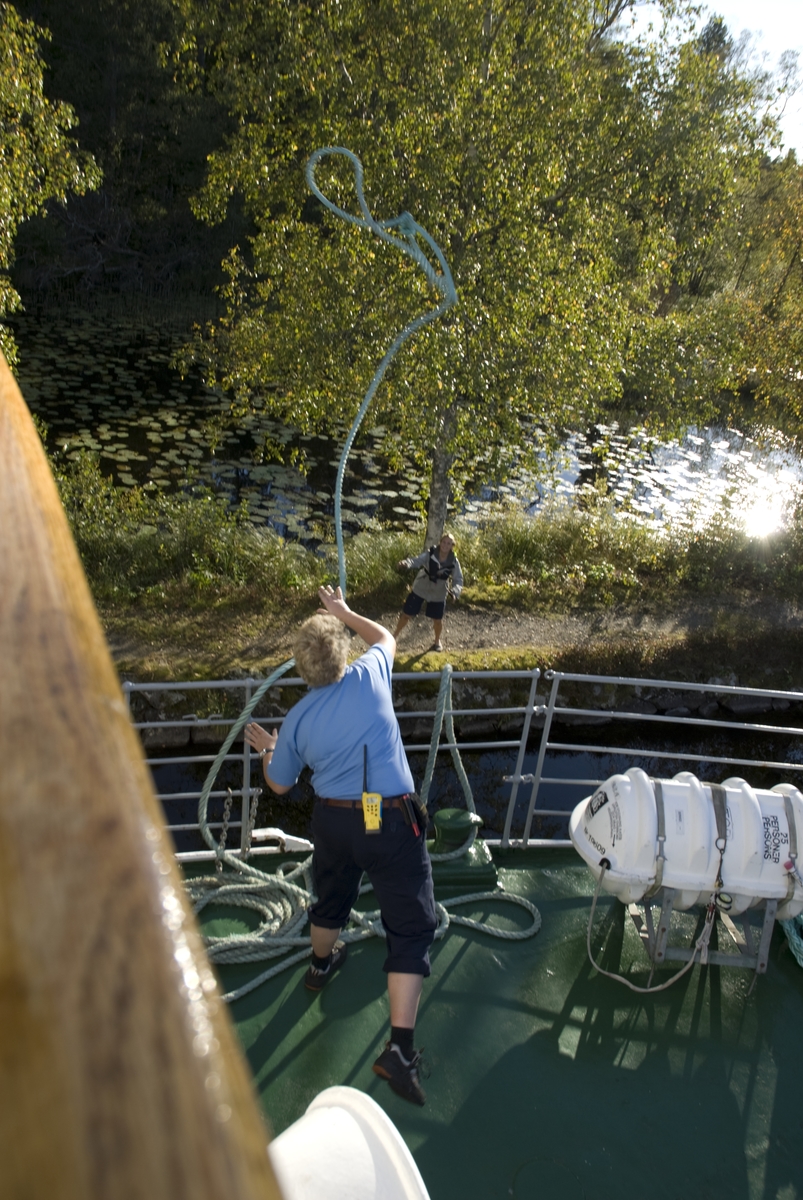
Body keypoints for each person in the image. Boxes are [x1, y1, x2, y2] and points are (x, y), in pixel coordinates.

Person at [244, 585, 436, 1107]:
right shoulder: (370, 675)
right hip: (387, 820)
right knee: (411, 927)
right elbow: (385, 637)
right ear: (343, 653)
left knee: (330, 897)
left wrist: (272, 750)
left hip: (334, 822)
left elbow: (279, 784)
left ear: (301, 667)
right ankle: (399, 1051)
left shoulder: (299, 719)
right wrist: (344, 611)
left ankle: (320, 964)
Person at [394, 531, 463, 652]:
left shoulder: (454, 561)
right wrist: (406, 563)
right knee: (406, 614)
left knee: (437, 620)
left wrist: (455, 592)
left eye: (449, 543)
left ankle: (437, 641)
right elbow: (417, 561)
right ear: (440, 542)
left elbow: (458, 579)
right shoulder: (431, 553)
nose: (445, 545)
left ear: (452, 546)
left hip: (439, 590)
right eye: (444, 542)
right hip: (422, 585)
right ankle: (394, 637)